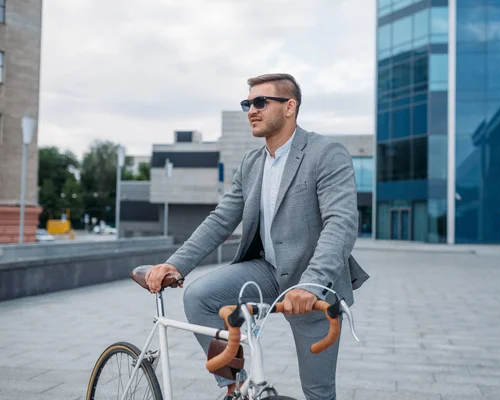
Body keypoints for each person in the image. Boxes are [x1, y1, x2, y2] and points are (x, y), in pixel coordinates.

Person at [145, 73, 369, 400]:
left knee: (318, 392)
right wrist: (175, 264)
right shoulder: (252, 163)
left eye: (261, 102)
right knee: (198, 296)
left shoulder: (325, 153)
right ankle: (234, 387)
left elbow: (342, 222)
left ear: (289, 107)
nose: (252, 109)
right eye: (247, 103)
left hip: (312, 284)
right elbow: (221, 219)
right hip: (265, 271)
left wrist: (313, 282)